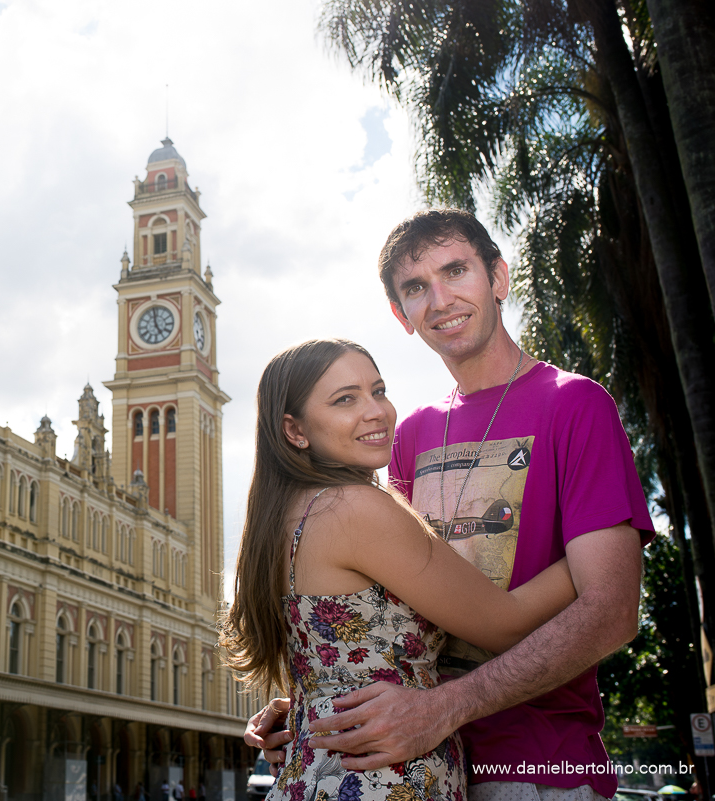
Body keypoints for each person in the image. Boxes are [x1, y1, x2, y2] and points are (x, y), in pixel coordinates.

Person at [244, 210, 654, 800]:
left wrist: (444, 707)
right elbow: (397, 606)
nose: (440, 299)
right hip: (420, 761)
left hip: (534, 766)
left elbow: (612, 611)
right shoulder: (407, 435)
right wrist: (331, 692)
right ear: (401, 315)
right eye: (416, 287)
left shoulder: (576, 405)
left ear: (498, 277)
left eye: (456, 270)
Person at [222, 338, 579, 801]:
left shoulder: (284, 515)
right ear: (295, 430)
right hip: (386, 781)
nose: (377, 411)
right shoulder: (355, 509)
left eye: (379, 390)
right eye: (345, 399)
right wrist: (595, 553)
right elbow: (504, 625)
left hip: (319, 776)